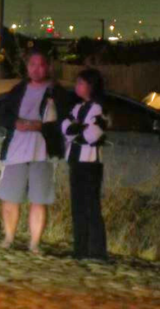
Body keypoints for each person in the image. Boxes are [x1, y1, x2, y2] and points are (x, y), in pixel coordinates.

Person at [0, 49, 74, 253]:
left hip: (44, 152)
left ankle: (35, 244)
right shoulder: (18, 90)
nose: (37, 69)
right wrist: (16, 123)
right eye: (32, 65)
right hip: (16, 150)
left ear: (48, 67)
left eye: (41, 65)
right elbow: (2, 115)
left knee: (39, 199)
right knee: (10, 197)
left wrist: (44, 127)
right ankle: (9, 238)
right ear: (27, 67)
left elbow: (66, 121)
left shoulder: (57, 92)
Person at [61, 68, 109, 261]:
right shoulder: (78, 107)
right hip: (75, 160)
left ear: (91, 86)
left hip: (90, 163)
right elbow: (66, 127)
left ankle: (96, 250)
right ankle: (80, 248)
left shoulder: (99, 108)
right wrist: (78, 130)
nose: (77, 86)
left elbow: (92, 135)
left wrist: (76, 131)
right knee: (77, 206)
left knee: (91, 206)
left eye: (81, 83)